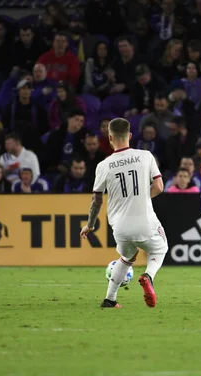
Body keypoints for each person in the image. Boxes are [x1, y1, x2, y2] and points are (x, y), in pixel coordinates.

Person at [80, 118, 168, 309]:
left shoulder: (103, 165)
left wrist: (90, 225)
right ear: (129, 136)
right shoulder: (146, 156)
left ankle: (109, 299)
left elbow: (96, 200)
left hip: (119, 227)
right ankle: (148, 276)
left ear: (110, 137)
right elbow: (159, 186)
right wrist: (144, 198)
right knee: (160, 249)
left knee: (127, 258)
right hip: (145, 221)